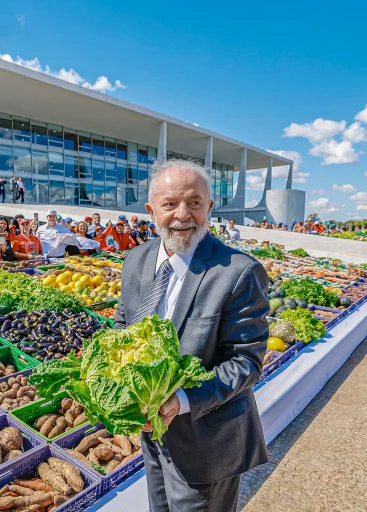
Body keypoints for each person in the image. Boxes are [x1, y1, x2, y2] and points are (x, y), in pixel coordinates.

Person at [114, 159, 269, 511]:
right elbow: (124, 328)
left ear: (209, 208)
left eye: (194, 203)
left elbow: (246, 361)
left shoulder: (238, 272)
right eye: (170, 204)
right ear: (151, 210)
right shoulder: (136, 260)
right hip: (152, 436)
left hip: (207, 443)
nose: (183, 215)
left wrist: (180, 399)